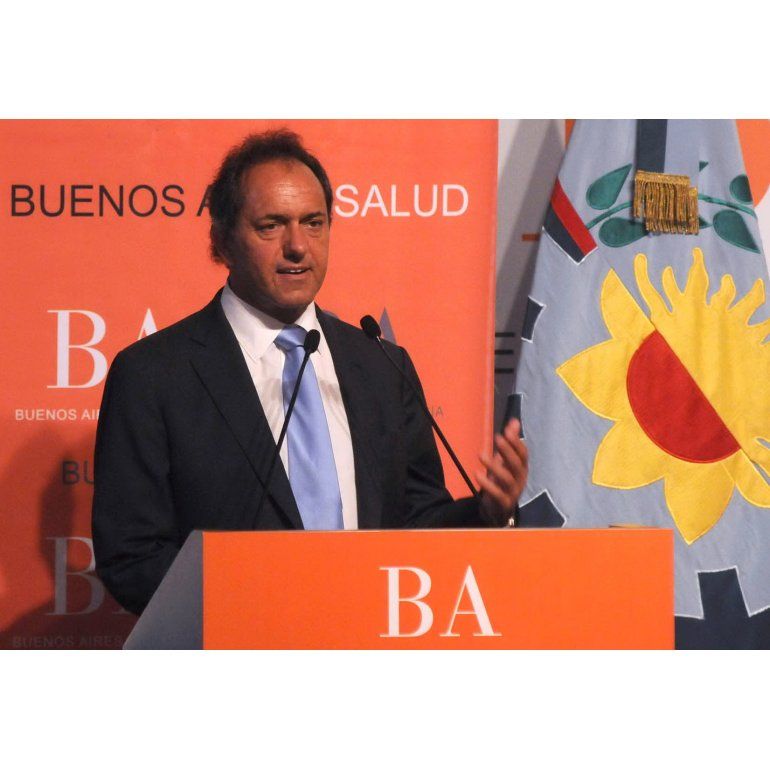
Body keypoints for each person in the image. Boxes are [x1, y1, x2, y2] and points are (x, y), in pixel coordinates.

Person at [92, 129, 528, 616]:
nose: (298, 246)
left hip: (369, 637)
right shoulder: (154, 375)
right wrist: (260, 604)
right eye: (271, 226)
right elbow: (132, 557)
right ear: (222, 241)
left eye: (314, 223)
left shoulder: (381, 367)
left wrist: (484, 514)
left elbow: (417, 521)